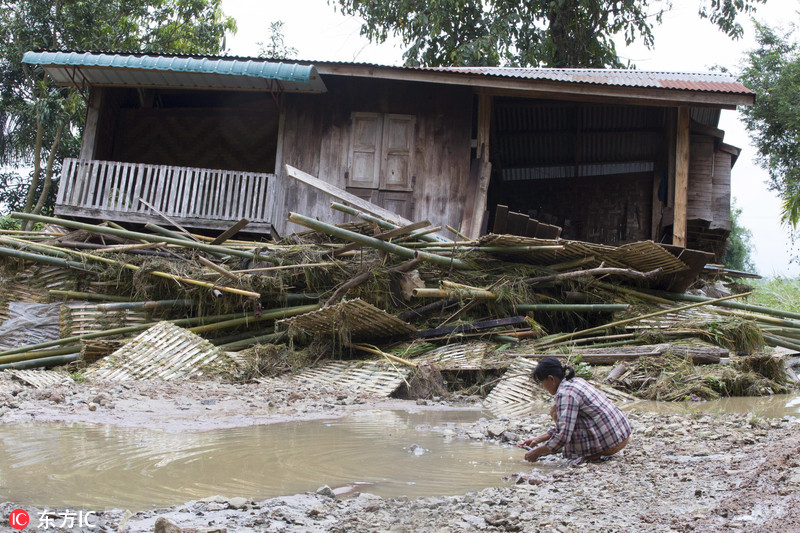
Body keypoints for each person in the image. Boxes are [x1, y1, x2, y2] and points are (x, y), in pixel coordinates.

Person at [520, 357, 632, 463]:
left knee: (554, 411)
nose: (543, 387)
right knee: (556, 411)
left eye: (542, 383)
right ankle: (561, 448)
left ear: (551, 379)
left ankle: (594, 454)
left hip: (611, 443)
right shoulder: (575, 381)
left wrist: (537, 452)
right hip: (621, 435)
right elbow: (566, 424)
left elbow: (564, 435)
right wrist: (537, 439)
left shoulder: (566, 394)